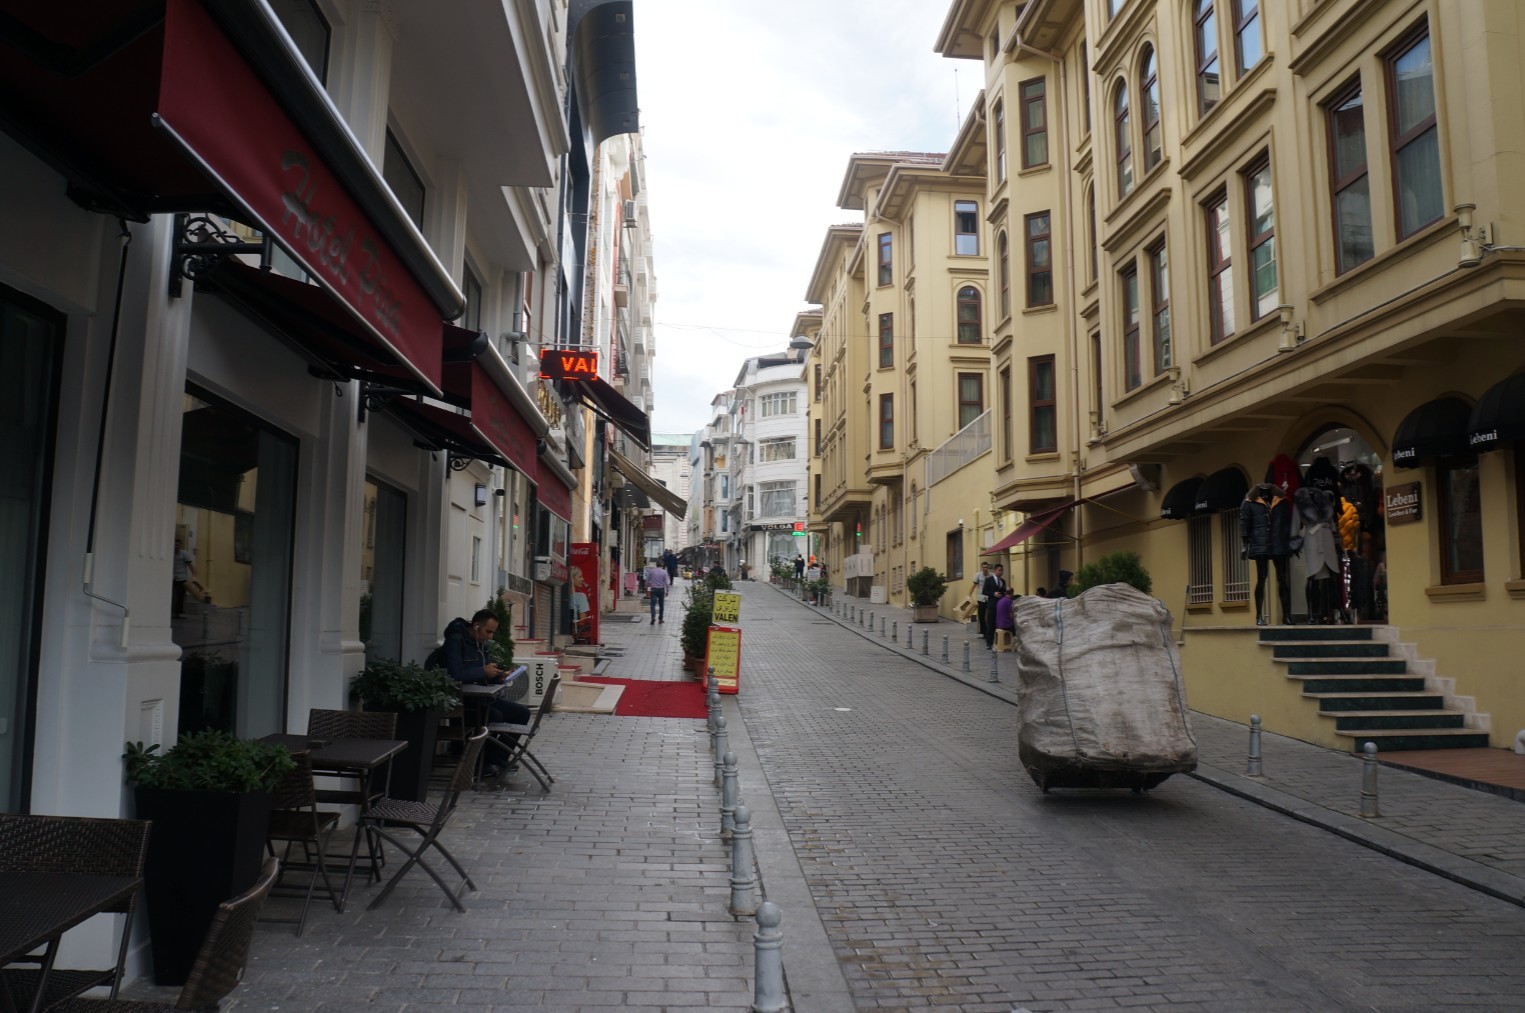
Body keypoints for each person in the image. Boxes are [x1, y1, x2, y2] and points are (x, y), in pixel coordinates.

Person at [441, 609, 530, 780]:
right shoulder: (455, 641)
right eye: (488, 631)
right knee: (494, 715)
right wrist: (482, 671)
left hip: (482, 696)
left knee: (522, 713)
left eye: (492, 632)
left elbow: (483, 673)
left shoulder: (480, 643)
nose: (490, 637)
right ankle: (481, 763)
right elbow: (454, 674)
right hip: (463, 700)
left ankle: (497, 758)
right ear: (476, 626)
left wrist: (498, 675)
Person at [1241, 483, 1294, 626]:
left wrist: (1290, 541)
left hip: (1278, 542)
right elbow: (1244, 523)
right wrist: (1245, 545)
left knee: (1283, 579)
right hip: (1260, 542)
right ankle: (1259, 616)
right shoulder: (1249, 502)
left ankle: (1286, 616)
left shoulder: (1282, 501)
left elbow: (1287, 523)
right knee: (1261, 578)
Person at [984, 563, 1008, 649]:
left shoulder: (1003, 581)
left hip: (1000, 605)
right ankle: (989, 643)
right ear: (995, 570)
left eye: (1002, 570)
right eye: (1000, 570)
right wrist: (993, 594)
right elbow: (985, 591)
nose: (1001, 572)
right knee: (991, 623)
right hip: (992, 605)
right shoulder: (989, 580)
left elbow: (1004, 591)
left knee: (999, 623)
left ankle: (998, 642)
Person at [172, 537, 196, 618]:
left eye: (177, 544)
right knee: (174, 595)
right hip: (173, 577)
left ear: (180, 545)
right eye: (175, 544)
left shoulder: (184, 554)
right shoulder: (171, 553)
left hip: (182, 578)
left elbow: (190, 565)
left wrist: (194, 575)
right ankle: (175, 611)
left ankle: (178, 612)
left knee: (180, 595)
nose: (176, 546)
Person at [644, 556, 670, 624]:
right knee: (661, 605)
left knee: (653, 604)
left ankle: (653, 617)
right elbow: (666, 583)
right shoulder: (664, 572)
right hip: (661, 590)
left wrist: (645, 587)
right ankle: (660, 619)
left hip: (653, 590)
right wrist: (667, 591)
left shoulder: (651, 571)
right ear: (662, 565)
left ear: (656, 564)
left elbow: (647, 580)